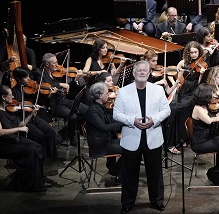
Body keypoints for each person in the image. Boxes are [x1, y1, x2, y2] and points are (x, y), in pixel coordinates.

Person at [112, 60, 170, 213]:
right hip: (131, 138)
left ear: (149, 73)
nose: (142, 72)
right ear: (134, 73)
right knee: (129, 174)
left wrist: (154, 120)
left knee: (155, 173)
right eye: (139, 70)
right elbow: (116, 114)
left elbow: (166, 110)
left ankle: (157, 201)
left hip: (153, 137)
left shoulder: (158, 90)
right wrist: (132, 121)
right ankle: (127, 203)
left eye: (145, 70)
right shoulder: (123, 91)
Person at [0, 85, 45, 192]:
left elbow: (20, 124)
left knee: (39, 148)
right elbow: (0, 132)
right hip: (1, 145)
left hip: (12, 140)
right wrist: (19, 130)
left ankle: (35, 181)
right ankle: (27, 184)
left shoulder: (9, 110)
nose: (13, 96)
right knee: (31, 150)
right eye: (10, 95)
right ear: (4, 97)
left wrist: (31, 114)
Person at [164, 41, 206, 155]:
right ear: (188, 53)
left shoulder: (202, 64)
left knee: (188, 114)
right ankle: (181, 138)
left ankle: (186, 137)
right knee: (181, 113)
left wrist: (201, 74)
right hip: (184, 90)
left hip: (195, 91)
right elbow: (177, 77)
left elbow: (200, 83)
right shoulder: (182, 63)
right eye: (191, 52)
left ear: (199, 52)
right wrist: (178, 77)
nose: (193, 55)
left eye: (196, 52)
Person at [40, 53, 89, 146]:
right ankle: (71, 135)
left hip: (63, 100)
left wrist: (76, 79)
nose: (57, 65)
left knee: (87, 111)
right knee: (73, 116)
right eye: (54, 63)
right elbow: (43, 86)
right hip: (54, 104)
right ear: (47, 64)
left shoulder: (55, 73)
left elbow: (68, 87)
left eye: (57, 62)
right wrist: (60, 85)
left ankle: (64, 134)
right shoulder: (40, 73)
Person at [10, 67, 57, 161]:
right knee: (40, 136)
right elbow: (14, 109)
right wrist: (29, 109)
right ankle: (39, 158)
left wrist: (49, 95)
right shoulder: (14, 92)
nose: (29, 80)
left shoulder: (32, 88)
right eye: (26, 78)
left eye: (29, 77)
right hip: (24, 120)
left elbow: (40, 101)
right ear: (19, 79)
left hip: (34, 117)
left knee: (51, 131)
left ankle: (51, 157)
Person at [85, 81, 124, 183]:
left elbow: (110, 119)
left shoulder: (100, 107)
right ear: (100, 95)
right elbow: (104, 127)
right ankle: (119, 173)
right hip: (100, 146)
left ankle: (114, 168)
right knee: (130, 149)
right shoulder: (93, 111)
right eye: (107, 93)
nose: (108, 95)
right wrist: (122, 123)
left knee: (130, 143)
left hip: (106, 140)